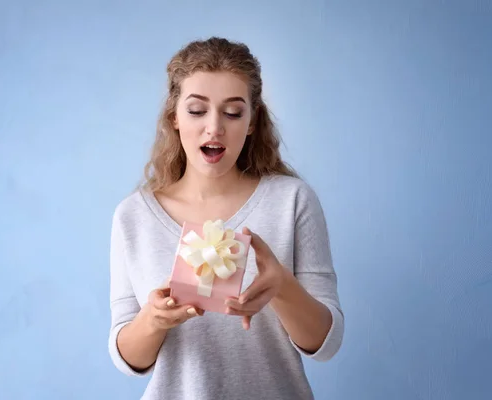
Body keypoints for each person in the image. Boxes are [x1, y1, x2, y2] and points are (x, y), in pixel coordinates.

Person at [108, 37, 344, 400]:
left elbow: (325, 345)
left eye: (233, 112)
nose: (214, 127)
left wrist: (281, 286)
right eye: (197, 110)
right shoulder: (133, 216)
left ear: (252, 122)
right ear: (174, 117)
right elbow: (127, 359)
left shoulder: (292, 200)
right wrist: (152, 320)